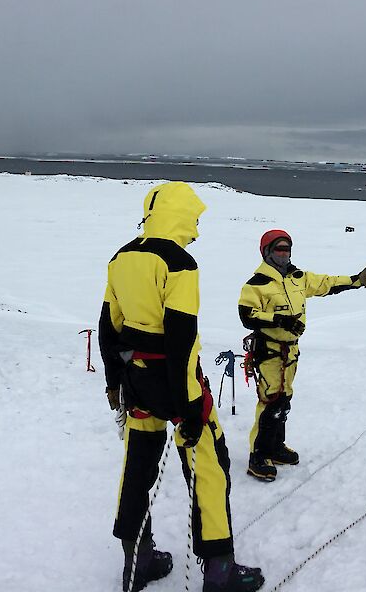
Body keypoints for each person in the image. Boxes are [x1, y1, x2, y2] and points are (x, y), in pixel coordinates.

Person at [99, 182, 264, 592]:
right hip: (175, 382)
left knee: (138, 465)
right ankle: (220, 570)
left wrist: (114, 382)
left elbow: (109, 325)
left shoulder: (122, 257)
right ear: (179, 213)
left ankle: (136, 562)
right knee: (209, 465)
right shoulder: (179, 263)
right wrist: (190, 409)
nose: (197, 228)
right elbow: (180, 339)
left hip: (135, 378)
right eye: (195, 218)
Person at [236, 229, 366, 482]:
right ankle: (257, 455)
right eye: (278, 249)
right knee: (270, 401)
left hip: (291, 351)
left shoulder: (297, 278)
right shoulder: (256, 284)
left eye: (287, 249)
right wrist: (279, 320)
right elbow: (247, 315)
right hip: (269, 351)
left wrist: (357, 280)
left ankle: (276, 447)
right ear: (266, 252)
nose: (284, 253)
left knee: (284, 399)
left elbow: (326, 283)